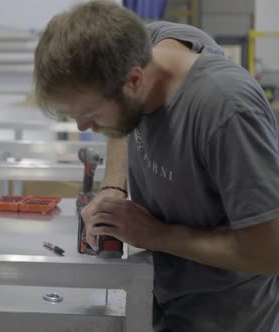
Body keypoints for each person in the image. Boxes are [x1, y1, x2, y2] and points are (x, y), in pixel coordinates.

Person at [33, 1, 279, 331]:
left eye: (90, 114)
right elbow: (121, 119)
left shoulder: (226, 111)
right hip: (157, 288)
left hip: (226, 313)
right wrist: (113, 188)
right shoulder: (142, 45)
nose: (82, 126)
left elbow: (270, 251)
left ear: (134, 81)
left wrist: (157, 235)